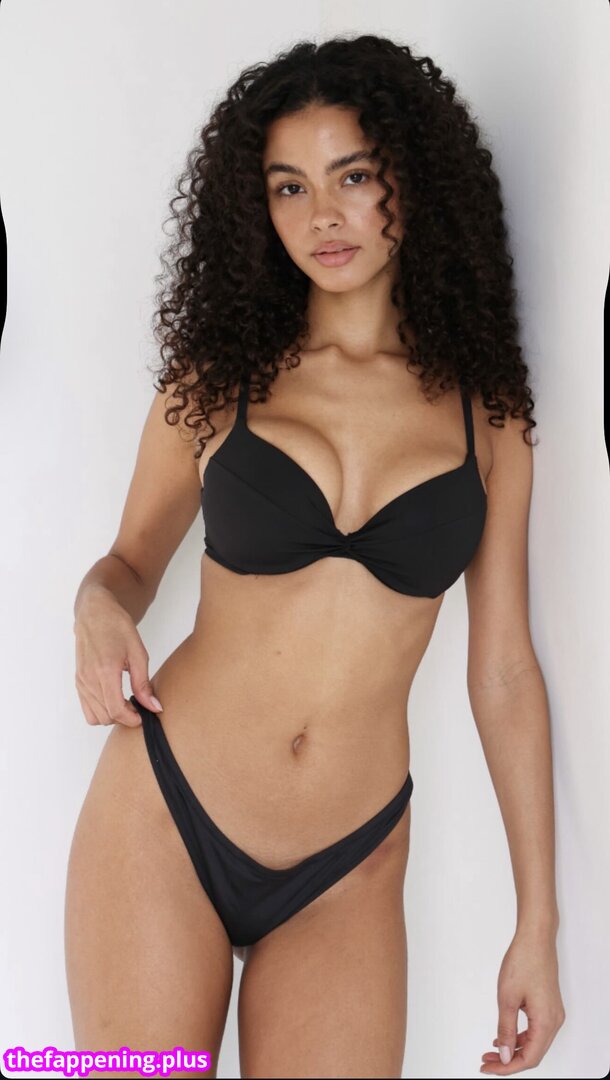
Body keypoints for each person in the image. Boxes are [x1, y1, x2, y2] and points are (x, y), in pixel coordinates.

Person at [64, 33, 565, 1080]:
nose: (321, 216)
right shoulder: (217, 380)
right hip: (168, 815)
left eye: (353, 177)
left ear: (411, 183)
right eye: (289, 186)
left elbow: (504, 670)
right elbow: (128, 564)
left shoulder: (488, 419)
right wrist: (96, 610)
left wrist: (537, 923)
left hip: (350, 860)